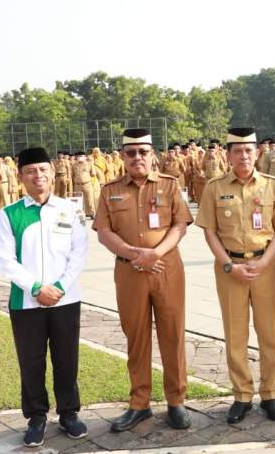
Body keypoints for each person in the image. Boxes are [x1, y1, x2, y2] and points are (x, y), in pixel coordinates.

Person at [93, 128, 193, 432]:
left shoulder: (169, 185)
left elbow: (180, 225)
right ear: (122, 157)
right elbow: (103, 231)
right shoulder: (109, 190)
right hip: (130, 272)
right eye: (131, 153)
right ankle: (139, 404)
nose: (137, 157)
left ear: (153, 155)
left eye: (143, 152)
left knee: (172, 334)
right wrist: (132, 253)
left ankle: (176, 401)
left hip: (166, 269)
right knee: (136, 337)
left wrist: (155, 253)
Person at [195, 127, 275, 424]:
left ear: (257, 152)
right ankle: (242, 395)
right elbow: (209, 232)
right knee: (235, 333)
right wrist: (229, 265)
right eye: (237, 151)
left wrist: (265, 261)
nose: (243, 156)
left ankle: (270, 393)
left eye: (249, 150)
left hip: (265, 266)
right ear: (228, 155)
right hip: (230, 268)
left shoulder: (272, 185)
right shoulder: (214, 187)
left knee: (268, 331)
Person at [0, 147, 89, 448]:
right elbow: (6, 260)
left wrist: (59, 286)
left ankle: (69, 413)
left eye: (43, 169)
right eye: (31, 171)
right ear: (21, 176)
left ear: (52, 172)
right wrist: (36, 288)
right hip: (26, 302)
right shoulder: (9, 214)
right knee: (31, 361)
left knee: (66, 358)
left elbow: (79, 252)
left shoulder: (70, 209)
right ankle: (36, 417)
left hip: (65, 298)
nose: (38, 176)